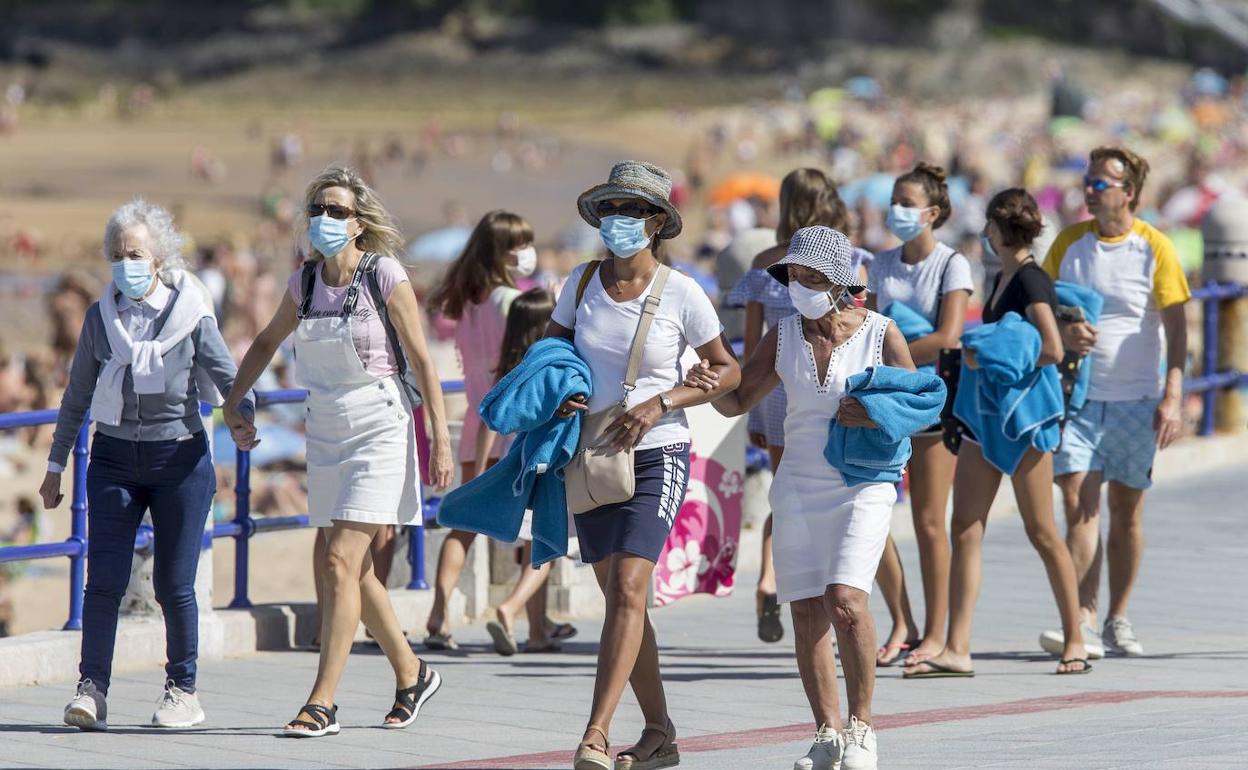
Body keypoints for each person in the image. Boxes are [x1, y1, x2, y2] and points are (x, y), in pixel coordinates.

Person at [223, 165, 454, 737]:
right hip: (324, 428)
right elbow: (268, 340)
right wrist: (234, 399)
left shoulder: (384, 274)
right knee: (357, 569)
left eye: (337, 211)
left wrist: (440, 439)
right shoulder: (303, 283)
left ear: (359, 223)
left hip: (379, 423)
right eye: (318, 210)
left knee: (337, 562)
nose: (325, 219)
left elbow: (423, 359)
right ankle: (412, 671)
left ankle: (321, 701)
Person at [688, 226, 919, 770]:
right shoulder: (784, 333)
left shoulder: (882, 334)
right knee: (808, 610)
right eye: (793, 275)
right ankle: (827, 732)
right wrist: (706, 386)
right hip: (795, 481)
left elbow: (921, 403)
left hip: (862, 481)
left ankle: (863, 728)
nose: (798, 286)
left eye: (811, 277)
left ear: (839, 281)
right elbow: (741, 398)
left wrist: (875, 412)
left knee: (847, 600)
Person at [550, 160, 739, 770]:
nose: (616, 221)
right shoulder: (579, 283)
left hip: (659, 452)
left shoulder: (682, 292)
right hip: (593, 454)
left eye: (629, 210)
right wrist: (559, 388)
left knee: (632, 587)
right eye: (609, 209)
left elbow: (726, 369)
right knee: (620, 601)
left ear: (656, 222)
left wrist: (665, 400)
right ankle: (660, 733)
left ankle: (596, 733)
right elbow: (551, 353)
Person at [40, 197, 253, 731]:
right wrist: (55, 463)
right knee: (103, 581)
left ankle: (183, 690)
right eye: (117, 254)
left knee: (174, 584)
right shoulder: (100, 318)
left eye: (135, 252)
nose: (125, 263)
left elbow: (227, 376)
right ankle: (92, 689)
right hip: (112, 459)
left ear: (158, 259)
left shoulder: (191, 313)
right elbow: (77, 395)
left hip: (179, 457)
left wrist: (243, 419)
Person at [902, 189, 1090, 678]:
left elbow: (1051, 348)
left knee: (1042, 531)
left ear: (1000, 230)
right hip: (985, 418)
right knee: (965, 526)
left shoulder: (1030, 279)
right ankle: (959, 648)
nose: (984, 234)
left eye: (989, 226)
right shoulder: (999, 273)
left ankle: (1075, 639)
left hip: (1024, 419)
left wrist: (988, 355)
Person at [1039, 146, 1190, 658]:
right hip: (1078, 396)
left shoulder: (1155, 247)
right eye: (1088, 180)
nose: (1090, 188)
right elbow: (1040, 307)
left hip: (1137, 398)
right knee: (1078, 505)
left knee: (1125, 513)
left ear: (1129, 193)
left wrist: (1173, 397)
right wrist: (1065, 328)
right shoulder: (1068, 243)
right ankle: (1080, 617)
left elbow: (1177, 328)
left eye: (1102, 182)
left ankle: (1117, 617)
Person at [725, 168, 854, 644]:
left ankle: (768, 578)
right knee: (823, 492)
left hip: (773, 384)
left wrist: (753, 411)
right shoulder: (837, 262)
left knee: (786, 490)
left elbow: (753, 346)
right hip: (820, 380)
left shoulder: (763, 262)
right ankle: (808, 587)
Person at [866, 162, 974, 667]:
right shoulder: (879, 263)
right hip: (888, 399)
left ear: (932, 213)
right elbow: (862, 323)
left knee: (931, 523)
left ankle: (936, 633)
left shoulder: (952, 265)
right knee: (874, 512)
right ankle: (901, 622)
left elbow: (949, 336)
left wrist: (894, 351)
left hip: (931, 398)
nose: (898, 210)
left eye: (908, 203)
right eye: (895, 199)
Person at [422, 210, 537, 651]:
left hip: (475, 424)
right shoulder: (511, 302)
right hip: (511, 426)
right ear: (503, 252)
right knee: (533, 525)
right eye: (519, 244)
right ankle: (528, 620)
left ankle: (438, 614)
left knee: (463, 527)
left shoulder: (466, 304)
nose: (526, 252)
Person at [476, 288, 580, 654]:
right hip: (546, 459)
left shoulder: (512, 370)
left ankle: (538, 630)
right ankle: (511, 607)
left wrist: (481, 467)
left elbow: (487, 423)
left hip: (515, 460)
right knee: (549, 546)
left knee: (534, 548)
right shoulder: (551, 368)